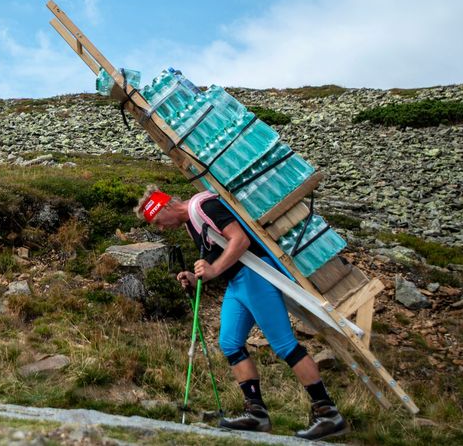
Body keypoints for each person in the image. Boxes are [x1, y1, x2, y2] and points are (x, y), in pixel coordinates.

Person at [135, 185, 347, 440]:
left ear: (167, 206)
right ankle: (256, 414)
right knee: (230, 343)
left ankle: (328, 414)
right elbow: (220, 255)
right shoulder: (192, 222)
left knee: (284, 345)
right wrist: (196, 277)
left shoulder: (204, 207)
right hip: (238, 281)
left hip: (255, 274)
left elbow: (240, 240)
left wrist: (212, 271)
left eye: (158, 221)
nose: (160, 228)